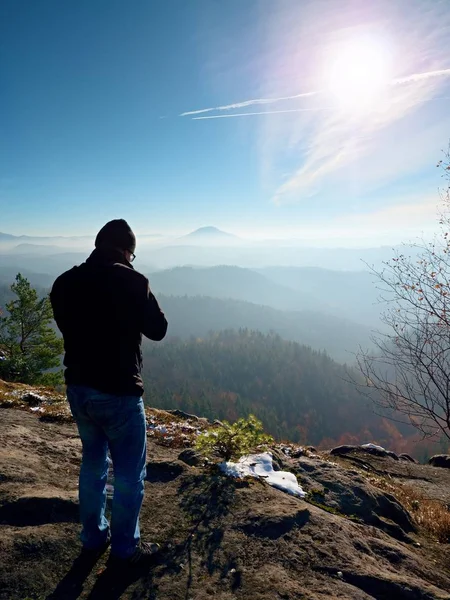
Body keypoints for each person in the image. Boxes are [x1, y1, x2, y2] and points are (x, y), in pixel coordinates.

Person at [50, 219, 168, 567]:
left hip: (79, 388)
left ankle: (92, 538)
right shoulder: (133, 281)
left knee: (93, 463)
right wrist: (140, 285)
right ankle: (124, 551)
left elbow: (67, 327)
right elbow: (158, 329)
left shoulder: (64, 282)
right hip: (119, 391)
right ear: (127, 251)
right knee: (130, 473)